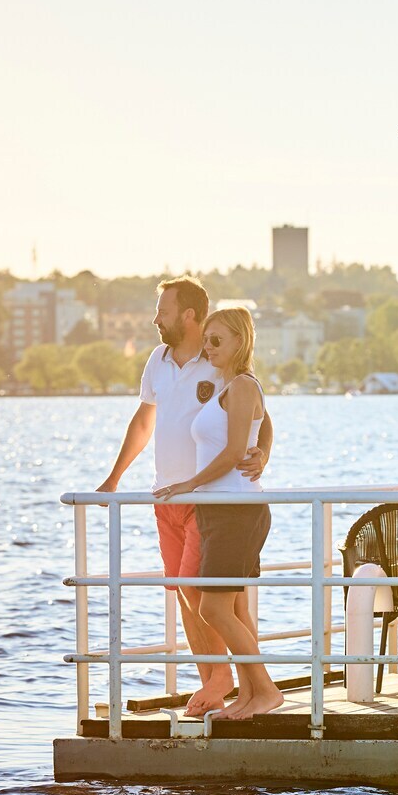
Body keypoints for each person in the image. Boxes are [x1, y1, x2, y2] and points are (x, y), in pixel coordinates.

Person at [95, 276, 272, 718]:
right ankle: (216, 679)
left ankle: (227, 681)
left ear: (188, 314)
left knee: (206, 595)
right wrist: (114, 478)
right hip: (166, 497)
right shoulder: (157, 360)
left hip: (206, 497)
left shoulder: (219, 360)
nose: (156, 319)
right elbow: (143, 422)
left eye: (163, 311)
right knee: (182, 590)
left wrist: (263, 452)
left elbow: (260, 416)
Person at [154, 306, 283, 720]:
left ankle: (265, 691)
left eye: (216, 341)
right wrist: (262, 447)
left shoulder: (243, 384)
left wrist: (190, 484)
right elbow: (261, 426)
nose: (207, 347)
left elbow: (231, 452)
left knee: (212, 608)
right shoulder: (226, 385)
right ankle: (247, 697)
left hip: (236, 510)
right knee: (232, 608)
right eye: (206, 339)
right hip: (217, 511)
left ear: (239, 343)